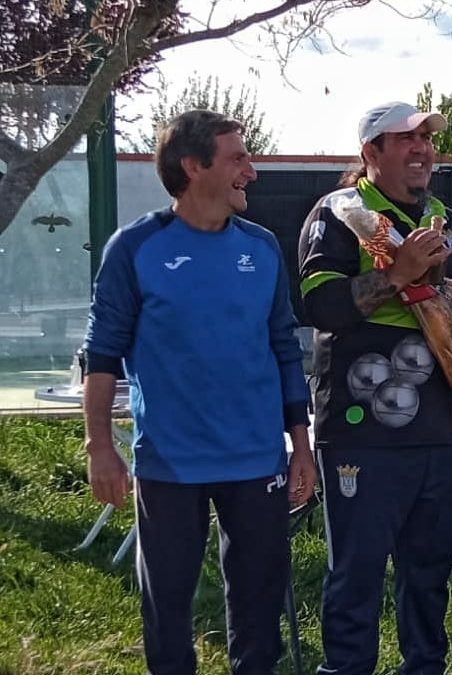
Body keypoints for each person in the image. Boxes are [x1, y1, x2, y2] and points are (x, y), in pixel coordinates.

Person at [298, 101, 452, 675]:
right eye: (406, 139)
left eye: (426, 138)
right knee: (357, 570)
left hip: (434, 425)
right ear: (370, 152)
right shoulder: (341, 213)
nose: (423, 148)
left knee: (429, 570)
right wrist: (397, 272)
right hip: (359, 430)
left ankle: (425, 666)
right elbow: (320, 306)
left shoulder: (446, 220)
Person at [82, 109, 316, 674]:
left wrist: (301, 446)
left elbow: (284, 347)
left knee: (259, 615)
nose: (251, 171)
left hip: (256, 459)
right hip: (170, 463)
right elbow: (102, 354)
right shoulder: (134, 247)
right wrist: (100, 446)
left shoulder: (261, 247)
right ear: (193, 166)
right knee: (167, 612)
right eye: (237, 158)